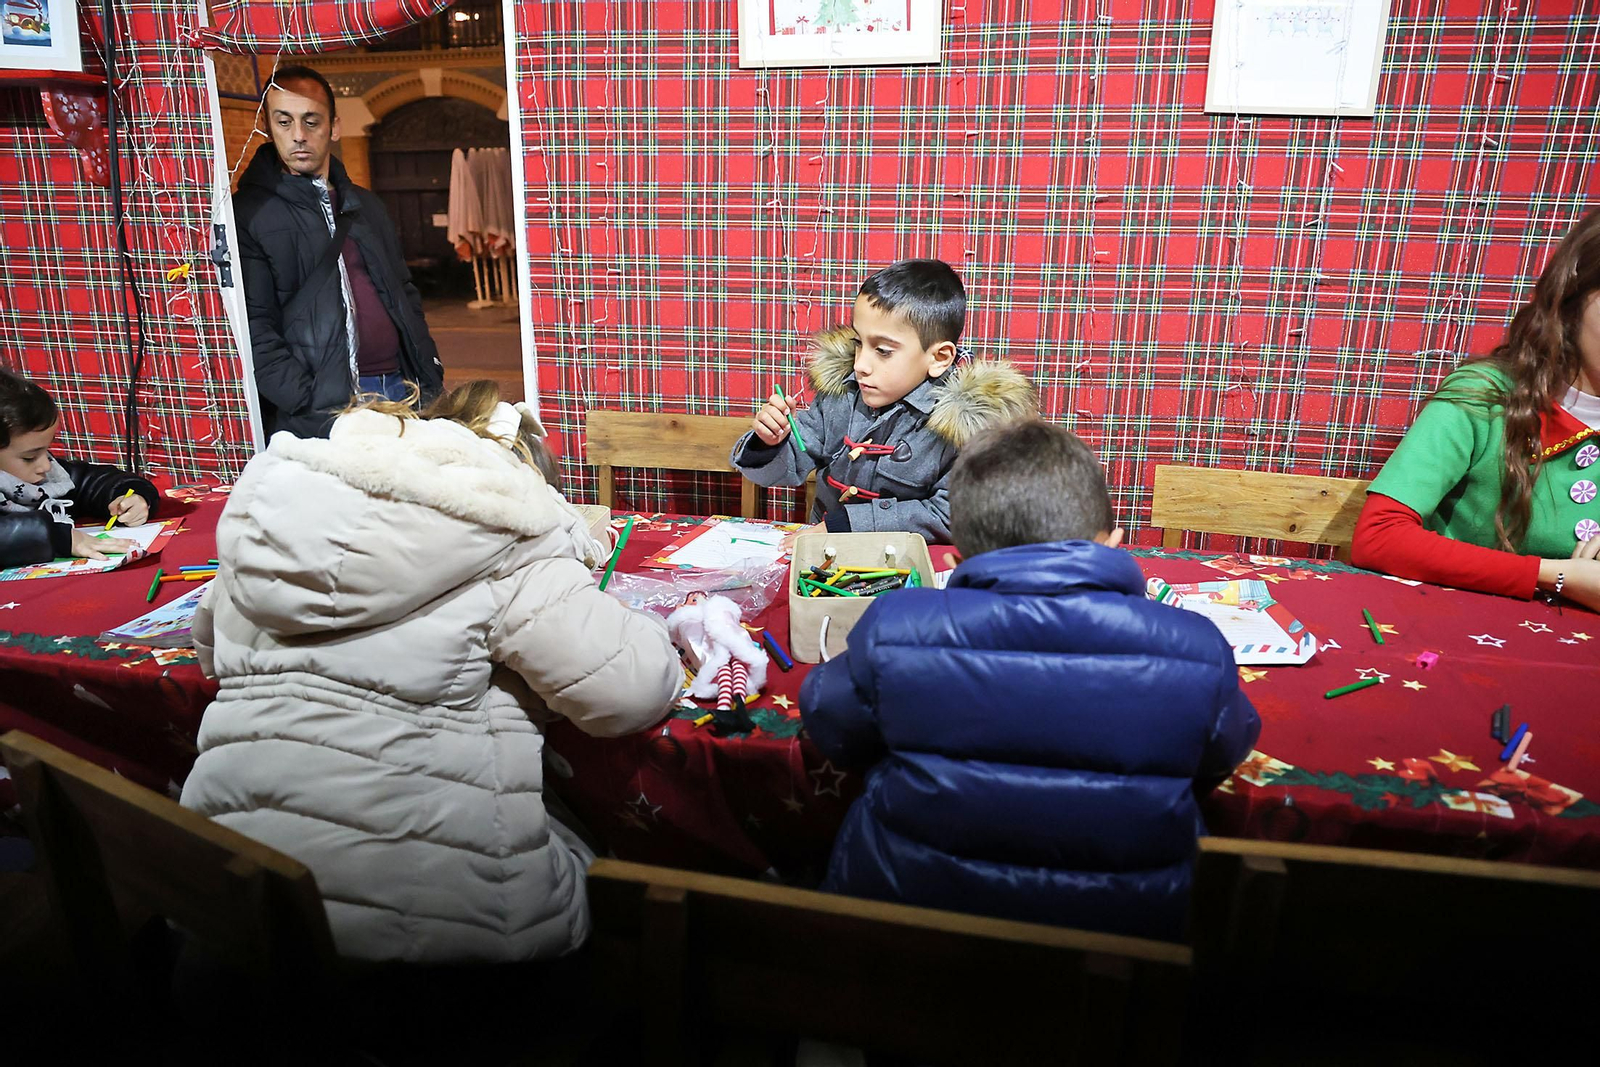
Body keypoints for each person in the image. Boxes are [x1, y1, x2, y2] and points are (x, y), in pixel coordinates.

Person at [179, 380, 683, 963]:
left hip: (226, 911)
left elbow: (210, 653)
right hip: (430, 944)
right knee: (616, 886)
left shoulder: (277, 525)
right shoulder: (508, 531)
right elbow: (631, 689)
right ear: (521, 478)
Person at [799, 419, 1260, 941]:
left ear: (956, 560)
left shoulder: (897, 624)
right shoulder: (1195, 645)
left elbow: (826, 719)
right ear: (1115, 545)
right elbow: (1222, 753)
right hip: (1129, 946)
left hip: (904, 936)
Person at [1351, 206, 1600, 611]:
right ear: (1573, 293)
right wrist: (1554, 575)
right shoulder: (1485, 395)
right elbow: (1379, 536)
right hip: (1450, 628)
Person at [731, 259, 1035, 543]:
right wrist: (768, 443)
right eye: (859, 343)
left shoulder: (965, 425)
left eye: (884, 351)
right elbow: (779, 471)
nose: (860, 365)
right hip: (823, 562)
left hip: (904, 571)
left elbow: (951, 515)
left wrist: (848, 524)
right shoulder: (842, 397)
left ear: (939, 358)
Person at [234, 64, 443, 438]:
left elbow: (404, 293)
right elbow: (255, 329)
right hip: (327, 406)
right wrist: (307, 400)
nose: (298, 135)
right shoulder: (251, 214)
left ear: (334, 127)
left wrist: (429, 370)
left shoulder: (364, 205)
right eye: (284, 122)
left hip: (400, 391)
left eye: (311, 122)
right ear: (268, 127)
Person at [0, 367, 157, 568]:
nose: (46, 465)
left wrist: (131, 497)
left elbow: (89, 482)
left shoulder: (47, 478)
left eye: (47, 451)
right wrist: (57, 537)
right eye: (30, 457)